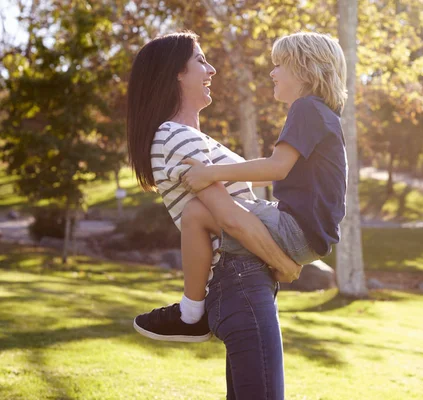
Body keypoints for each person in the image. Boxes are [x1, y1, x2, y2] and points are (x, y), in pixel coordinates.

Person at [127, 31, 294, 399]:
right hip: (240, 281)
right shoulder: (175, 137)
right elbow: (230, 218)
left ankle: (189, 313)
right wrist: (285, 263)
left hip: (241, 284)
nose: (212, 69)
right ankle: (189, 313)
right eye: (201, 60)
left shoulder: (188, 137)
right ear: (176, 74)